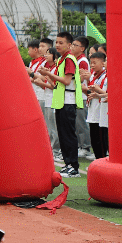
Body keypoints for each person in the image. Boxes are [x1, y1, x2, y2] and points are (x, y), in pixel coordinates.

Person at [38, 31, 83, 178]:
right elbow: (57, 83)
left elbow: (66, 81)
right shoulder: (62, 60)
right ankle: (68, 163)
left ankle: (74, 166)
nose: (57, 45)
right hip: (61, 101)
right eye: (56, 42)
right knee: (63, 135)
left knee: (69, 135)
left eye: (61, 42)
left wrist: (49, 74)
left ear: (69, 45)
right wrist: (47, 74)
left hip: (68, 102)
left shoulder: (69, 59)